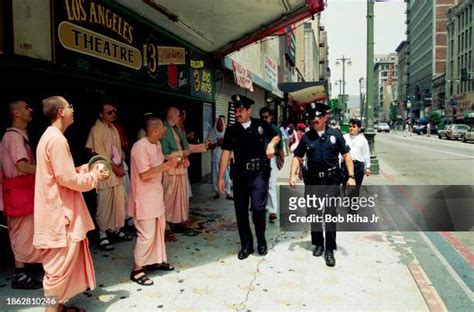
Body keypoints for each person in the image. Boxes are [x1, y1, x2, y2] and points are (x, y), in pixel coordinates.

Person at [34, 96, 108, 312]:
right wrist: (94, 177)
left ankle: (58, 307)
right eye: (70, 107)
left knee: (62, 264)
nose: (73, 110)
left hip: (57, 210)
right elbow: (66, 180)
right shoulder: (56, 139)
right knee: (58, 268)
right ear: (60, 112)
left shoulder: (52, 137)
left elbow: (61, 174)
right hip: (60, 215)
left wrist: (84, 169)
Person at [289, 102, 356, 267]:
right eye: (311, 118)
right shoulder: (307, 137)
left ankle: (329, 249)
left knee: (330, 213)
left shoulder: (335, 134)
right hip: (313, 182)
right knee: (314, 212)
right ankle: (318, 243)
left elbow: (347, 156)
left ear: (324, 118)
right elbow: (297, 157)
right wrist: (292, 175)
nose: (314, 120)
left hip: (332, 181)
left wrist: (351, 176)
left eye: (317, 117)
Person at [218, 94, 280, 260]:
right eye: (236, 111)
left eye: (240, 110)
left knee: (258, 209)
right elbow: (224, 154)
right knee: (241, 211)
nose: (237, 114)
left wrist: (271, 145)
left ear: (248, 110)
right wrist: (220, 178)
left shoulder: (260, 124)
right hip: (239, 176)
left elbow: (276, 136)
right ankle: (246, 244)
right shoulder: (232, 130)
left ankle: (261, 240)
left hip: (259, 174)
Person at [129, 117, 178, 286]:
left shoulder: (156, 145)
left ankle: (156, 261)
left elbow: (160, 164)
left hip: (156, 197)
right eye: (163, 128)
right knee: (146, 234)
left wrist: (174, 163)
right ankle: (137, 269)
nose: (165, 130)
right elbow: (144, 174)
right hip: (143, 199)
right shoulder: (139, 147)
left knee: (158, 230)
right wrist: (167, 165)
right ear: (155, 130)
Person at [1, 100, 42, 289]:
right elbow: (22, 166)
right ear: (16, 113)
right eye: (27, 107)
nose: (31, 109)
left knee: (25, 232)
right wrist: (49, 170)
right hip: (19, 192)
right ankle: (19, 275)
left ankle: (24, 270)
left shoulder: (17, 136)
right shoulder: (13, 137)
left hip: (23, 192)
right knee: (21, 234)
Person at [86, 103, 131, 251]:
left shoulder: (113, 129)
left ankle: (116, 229)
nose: (114, 114)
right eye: (110, 112)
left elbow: (117, 151)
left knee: (118, 203)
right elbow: (98, 153)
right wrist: (114, 168)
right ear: (101, 115)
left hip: (116, 171)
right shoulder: (96, 129)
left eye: (114, 111)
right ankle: (102, 234)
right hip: (105, 172)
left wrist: (119, 167)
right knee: (104, 205)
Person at [259, 107, 284, 221]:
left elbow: (280, 147)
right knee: (259, 184)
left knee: (271, 185)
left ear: (271, 117)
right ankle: (261, 206)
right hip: (259, 160)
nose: (264, 119)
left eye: (266, 117)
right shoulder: (257, 129)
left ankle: (273, 211)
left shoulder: (276, 130)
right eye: (262, 117)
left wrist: (281, 159)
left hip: (272, 159)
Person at [342, 119, 371, 210]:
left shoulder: (363, 140)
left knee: (356, 187)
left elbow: (366, 154)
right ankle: (347, 198)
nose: (351, 128)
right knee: (344, 185)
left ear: (358, 128)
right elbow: (339, 152)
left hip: (358, 165)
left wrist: (367, 167)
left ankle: (353, 206)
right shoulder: (344, 137)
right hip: (345, 165)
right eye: (350, 126)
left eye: (354, 127)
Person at [207, 115, 232, 200]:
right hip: (215, 158)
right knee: (215, 176)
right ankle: (216, 192)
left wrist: (224, 143)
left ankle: (228, 192)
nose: (220, 125)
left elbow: (232, 145)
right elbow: (208, 146)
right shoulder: (212, 132)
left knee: (226, 175)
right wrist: (217, 144)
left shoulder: (227, 132)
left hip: (225, 158)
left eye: (222, 123)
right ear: (216, 124)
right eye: (218, 123)